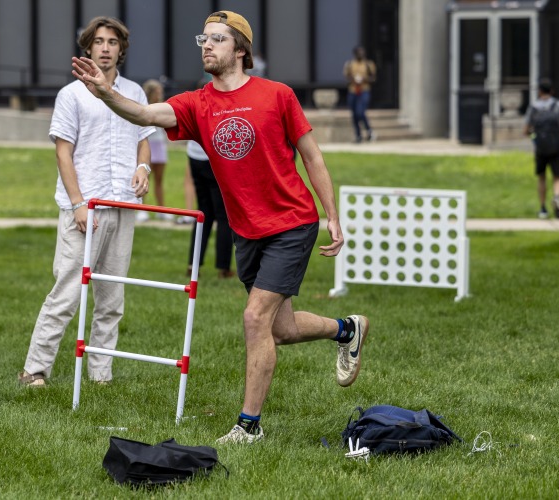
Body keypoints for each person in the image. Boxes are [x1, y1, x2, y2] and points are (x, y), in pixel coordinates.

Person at [72, 10, 370, 443]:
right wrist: (105, 94)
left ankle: (249, 426)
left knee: (254, 318)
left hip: (291, 221)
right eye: (203, 39)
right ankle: (347, 329)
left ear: (241, 50)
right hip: (246, 230)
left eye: (217, 39)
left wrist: (332, 215)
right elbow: (143, 114)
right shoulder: (197, 104)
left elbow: (312, 156)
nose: (206, 46)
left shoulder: (278, 95)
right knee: (280, 329)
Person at [19, 16, 154, 387]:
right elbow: (64, 153)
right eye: (99, 42)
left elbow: (144, 136)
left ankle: (100, 374)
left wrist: (143, 166)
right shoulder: (71, 95)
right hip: (84, 209)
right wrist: (78, 203)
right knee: (66, 294)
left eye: (112, 42)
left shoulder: (135, 93)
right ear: (88, 48)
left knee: (111, 299)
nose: (106, 48)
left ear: (121, 49)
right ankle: (35, 370)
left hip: (123, 206)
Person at [524, 78, 559, 219]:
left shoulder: (534, 107)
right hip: (556, 147)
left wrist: (534, 137)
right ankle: (557, 197)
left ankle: (542, 209)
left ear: (539, 91)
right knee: (557, 177)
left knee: (541, 177)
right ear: (552, 91)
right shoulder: (558, 105)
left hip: (540, 148)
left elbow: (526, 130)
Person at [186, 140, 234, 278]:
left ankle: (193, 265)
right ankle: (223, 268)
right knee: (223, 215)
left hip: (194, 155)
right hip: (215, 156)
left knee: (203, 212)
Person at [139, 79, 174, 222]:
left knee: (159, 180)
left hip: (159, 145)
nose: (160, 94)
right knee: (145, 179)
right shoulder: (142, 107)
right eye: (157, 91)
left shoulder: (162, 106)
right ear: (150, 93)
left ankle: (161, 209)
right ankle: (142, 210)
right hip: (148, 144)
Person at [342, 46, 377, 143]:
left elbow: (373, 78)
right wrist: (353, 79)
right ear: (355, 53)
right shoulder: (349, 64)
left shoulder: (368, 64)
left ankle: (369, 130)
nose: (361, 54)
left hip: (364, 90)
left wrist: (364, 79)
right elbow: (346, 77)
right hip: (352, 91)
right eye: (359, 52)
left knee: (360, 112)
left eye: (362, 52)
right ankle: (358, 135)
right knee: (354, 115)